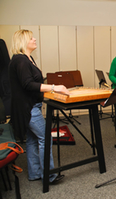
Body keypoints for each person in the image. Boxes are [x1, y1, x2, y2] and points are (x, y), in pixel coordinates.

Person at [9, 29, 69, 183]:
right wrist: (55, 87)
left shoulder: (27, 59)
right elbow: (28, 84)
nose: (35, 39)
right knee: (45, 138)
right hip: (28, 109)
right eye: (31, 38)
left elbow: (34, 83)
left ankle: (35, 173)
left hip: (30, 106)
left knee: (32, 139)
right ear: (23, 42)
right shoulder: (21, 60)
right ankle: (49, 176)